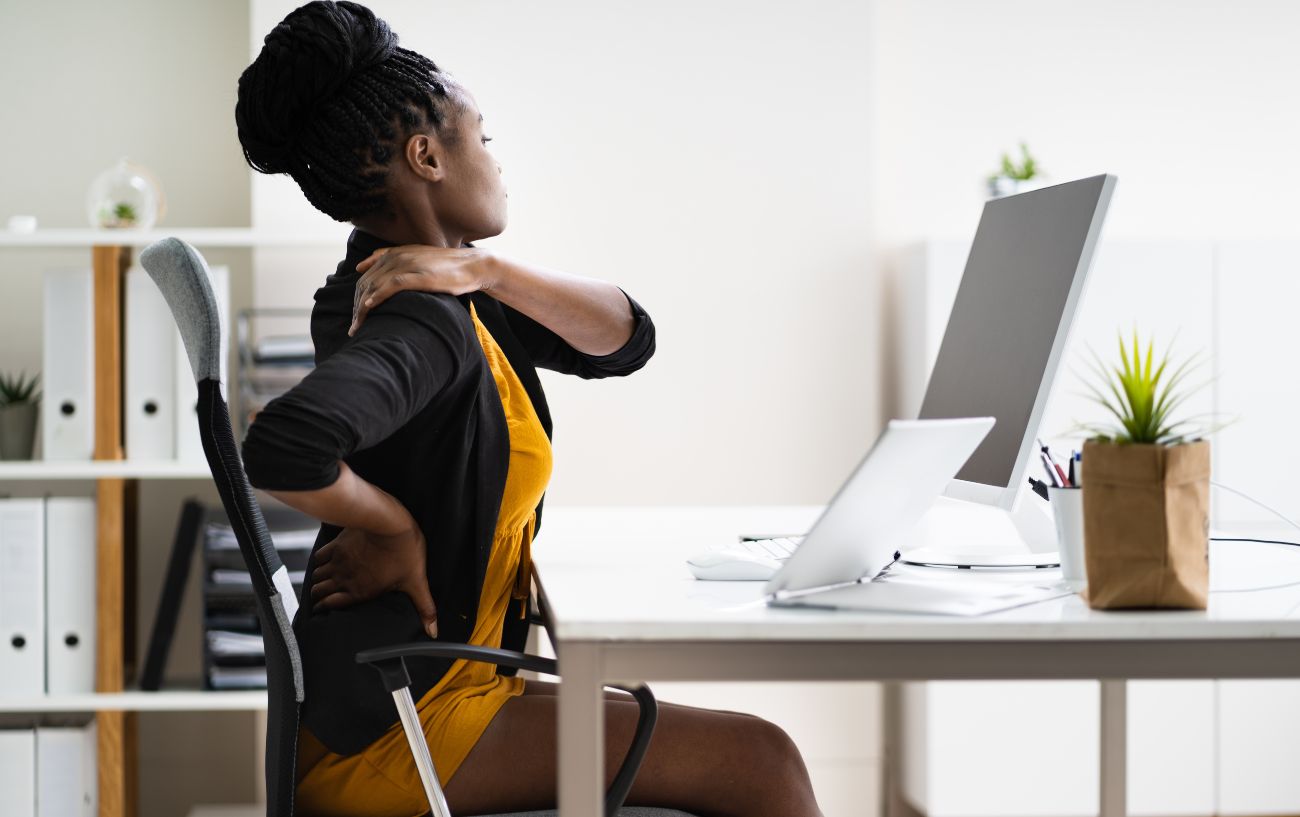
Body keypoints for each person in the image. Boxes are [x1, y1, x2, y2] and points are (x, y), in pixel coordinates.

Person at [236, 3, 823, 815]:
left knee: (752, 752)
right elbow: (283, 443)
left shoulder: (441, 288)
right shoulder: (417, 316)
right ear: (427, 156)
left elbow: (624, 339)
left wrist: (491, 273)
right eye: (484, 137)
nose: (497, 161)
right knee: (764, 762)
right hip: (403, 723)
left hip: (439, 679)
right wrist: (390, 524)